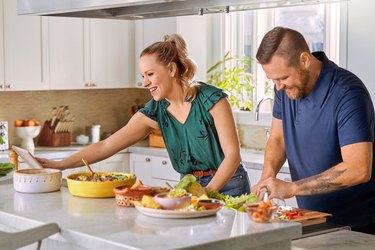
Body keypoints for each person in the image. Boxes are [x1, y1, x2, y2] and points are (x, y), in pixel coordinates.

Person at [36, 34, 250, 197]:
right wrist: (60, 165)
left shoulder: (211, 99)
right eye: (143, 76)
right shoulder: (155, 111)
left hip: (229, 184)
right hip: (189, 185)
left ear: (172, 70)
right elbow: (107, 145)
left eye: (150, 74)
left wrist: (208, 191)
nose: (145, 82)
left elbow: (233, 155)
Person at [252, 26, 375, 234]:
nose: (278, 86)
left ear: (304, 60)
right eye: (273, 80)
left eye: (282, 78)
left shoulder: (348, 92)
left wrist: (292, 188)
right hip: (312, 219)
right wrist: (267, 177)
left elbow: (359, 168)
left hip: (357, 225)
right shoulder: (284, 89)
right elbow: (278, 138)